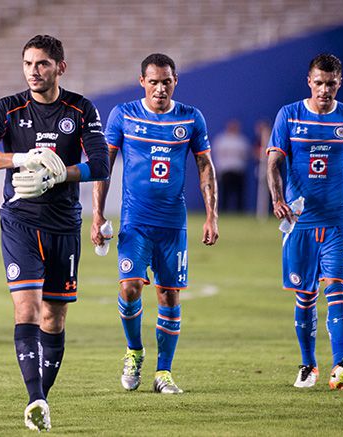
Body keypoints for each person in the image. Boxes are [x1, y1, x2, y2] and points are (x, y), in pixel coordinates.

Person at [0, 35, 109, 431]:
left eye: (43, 63)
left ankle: (41, 396)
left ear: (60, 67)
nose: (34, 71)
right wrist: (19, 159)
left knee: (55, 318)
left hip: (64, 224)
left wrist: (63, 173)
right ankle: (36, 400)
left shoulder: (81, 109)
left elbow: (101, 165)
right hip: (20, 222)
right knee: (26, 309)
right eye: (28, 63)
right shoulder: (9, 108)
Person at [92, 53, 219, 395]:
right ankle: (134, 351)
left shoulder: (191, 118)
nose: (160, 88)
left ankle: (164, 372)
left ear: (175, 81)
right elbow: (104, 166)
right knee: (130, 287)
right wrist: (97, 214)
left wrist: (211, 215)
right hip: (136, 221)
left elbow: (205, 167)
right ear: (142, 82)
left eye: (166, 82)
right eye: (153, 82)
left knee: (168, 294)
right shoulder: (123, 115)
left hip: (173, 224)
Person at [266, 53, 343, 390]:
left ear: (339, 83)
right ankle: (308, 365)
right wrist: (277, 198)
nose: (324, 89)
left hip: (337, 223)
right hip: (300, 224)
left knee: (338, 290)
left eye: (330, 83)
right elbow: (272, 163)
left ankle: (340, 364)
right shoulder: (289, 116)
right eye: (319, 83)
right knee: (305, 296)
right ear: (309, 82)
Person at [213, 119, 250, 212]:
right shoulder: (221, 140)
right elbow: (217, 155)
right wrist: (218, 169)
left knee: (239, 194)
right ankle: (223, 211)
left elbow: (246, 156)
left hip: (238, 170)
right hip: (226, 170)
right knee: (224, 193)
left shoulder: (242, 140)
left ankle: (239, 212)